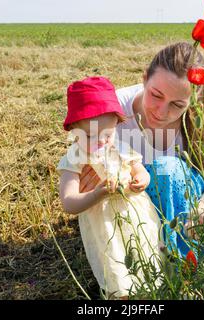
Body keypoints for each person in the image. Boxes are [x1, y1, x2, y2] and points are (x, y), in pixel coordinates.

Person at [78, 42, 204, 260]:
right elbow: (79, 176)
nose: (161, 111)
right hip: (125, 207)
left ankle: (180, 264)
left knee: (166, 169)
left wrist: (203, 210)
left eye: (177, 105)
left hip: (183, 214)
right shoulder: (110, 113)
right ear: (144, 78)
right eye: (156, 95)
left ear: (192, 101)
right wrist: (89, 182)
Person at [57, 76, 162, 299]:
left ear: (116, 125)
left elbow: (139, 169)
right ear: (73, 129)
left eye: (107, 134)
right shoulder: (74, 159)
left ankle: (152, 294)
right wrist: (97, 194)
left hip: (135, 214)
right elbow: (68, 202)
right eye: (89, 135)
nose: (101, 142)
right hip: (104, 225)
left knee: (146, 253)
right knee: (115, 267)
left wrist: (142, 180)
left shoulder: (121, 147)